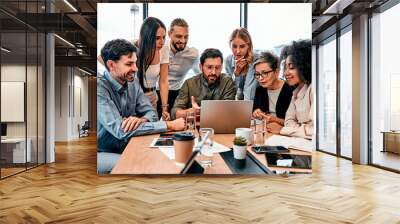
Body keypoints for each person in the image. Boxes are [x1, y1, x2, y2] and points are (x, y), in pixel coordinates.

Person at [97, 39, 185, 174]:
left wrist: (142, 120)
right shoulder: (99, 89)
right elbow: (121, 130)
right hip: (103, 151)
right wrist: (170, 125)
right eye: (129, 64)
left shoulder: (132, 82)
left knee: (163, 159)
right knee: (135, 164)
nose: (135, 68)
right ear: (111, 65)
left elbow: (152, 113)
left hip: (129, 144)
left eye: (135, 63)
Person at [171, 48, 236, 119]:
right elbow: (174, 113)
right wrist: (192, 112)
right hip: (195, 127)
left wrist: (202, 111)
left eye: (217, 67)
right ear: (201, 67)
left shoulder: (227, 82)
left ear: (221, 67)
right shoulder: (189, 84)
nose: (213, 72)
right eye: (209, 67)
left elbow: (229, 110)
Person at [269, 39, 313, 139]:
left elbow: (314, 130)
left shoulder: (313, 89)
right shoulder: (296, 92)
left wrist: (283, 130)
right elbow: (288, 121)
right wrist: (300, 130)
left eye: (292, 67)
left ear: (304, 66)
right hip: (299, 142)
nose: (286, 73)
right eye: (286, 68)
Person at [156, 18, 200, 118]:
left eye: (186, 37)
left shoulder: (193, 54)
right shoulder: (161, 48)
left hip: (177, 93)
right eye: (178, 36)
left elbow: (200, 75)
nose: (183, 41)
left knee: (177, 124)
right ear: (169, 34)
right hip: (157, 91)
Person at [136, 17, 170, 120]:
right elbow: (101, 56)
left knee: (152, 130)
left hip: (151, 96)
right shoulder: (132, 47)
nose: (162, 42)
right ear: (147, 37)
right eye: (157, 38)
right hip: (134, 99)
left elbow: (163, 81)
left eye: (164, 37)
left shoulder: (164, 50)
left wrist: (165, 109)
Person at [252, 51, 294, 130]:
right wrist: (256, 112)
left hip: (285, 134)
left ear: (276, 72)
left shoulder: (291, 90)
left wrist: (275, 120)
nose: (260, 78)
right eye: (257, 74)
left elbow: (296, 123)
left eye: (265, 73)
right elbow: (255, 111)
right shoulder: (259, 90)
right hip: (265, 131)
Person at [225, 28, 258, 100]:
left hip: (255, 103)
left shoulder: (256, 59)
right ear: (230, 45)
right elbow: (229, 92)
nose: (238, 51)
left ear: (248, 46)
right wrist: (236, 74)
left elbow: (249, 93)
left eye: (242, 46)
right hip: (238, 104)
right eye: (234, 46)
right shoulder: (228, 60)